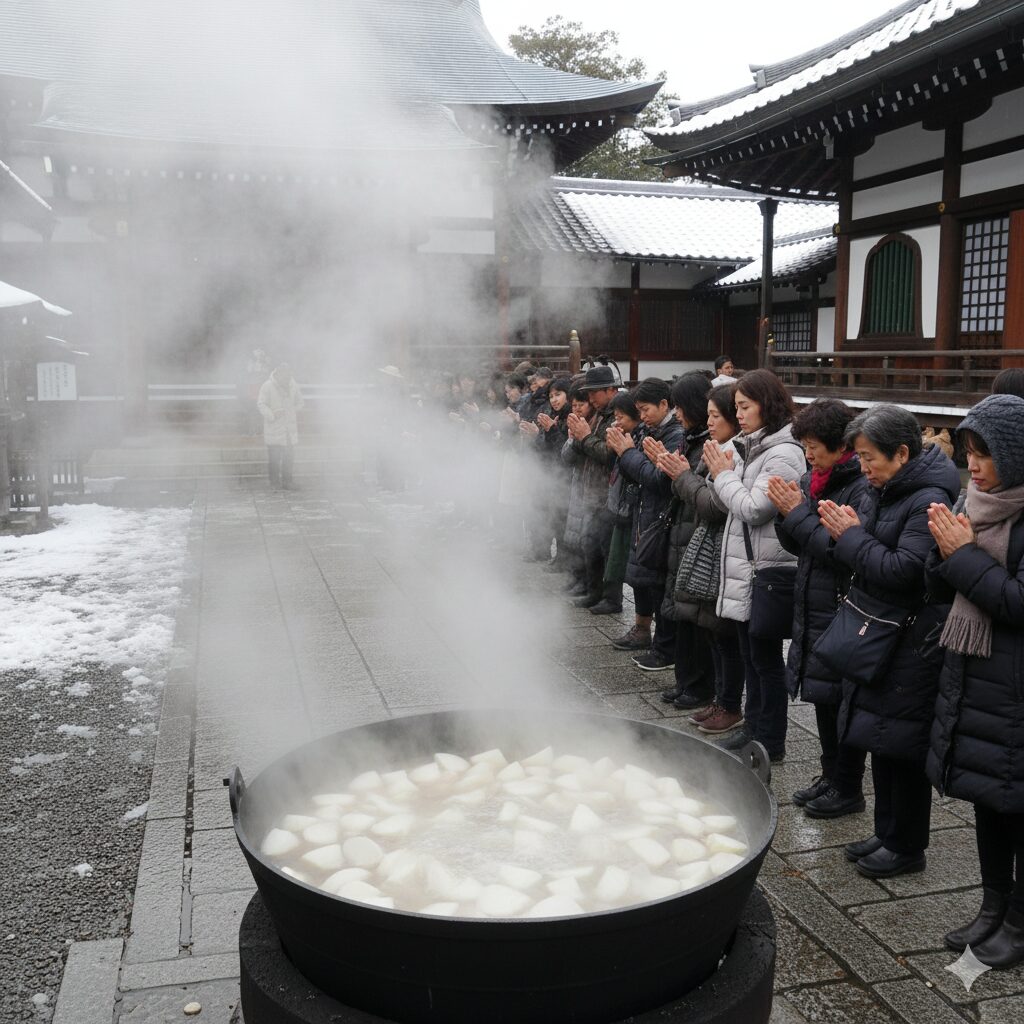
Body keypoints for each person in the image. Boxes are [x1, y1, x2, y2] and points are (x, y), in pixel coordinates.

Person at [820, 404, 959, 879]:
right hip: (881, 632)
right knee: (878, 737)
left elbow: (906, 572)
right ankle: (886, 831)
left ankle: (907, 845)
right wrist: (848, 536)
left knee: (903, 744)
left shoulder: (927, 499)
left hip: (913, 638)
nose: (863, 468)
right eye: (858, 458)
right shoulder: (888, 488)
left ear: (901, 453)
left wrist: (852, 538)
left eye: (869, 458)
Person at [926, 394, 1024, 967]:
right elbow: (951, 591)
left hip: (1014, 685)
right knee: (990, 799)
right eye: (969, 453)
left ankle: (1019, 919)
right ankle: (993, 906)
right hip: (978, 675)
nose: (975, 466)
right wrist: (941, 556)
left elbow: (1016, 601)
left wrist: (960, 555)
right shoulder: (978, 504)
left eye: (985, 455)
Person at [768, 398, 869, 818]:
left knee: (843, 702)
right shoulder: (818, 478)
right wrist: (786, 515)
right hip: (816, 600)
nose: (807, 454)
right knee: (824, 699)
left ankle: (848, 787)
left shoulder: (857, 485)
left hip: (840, 603)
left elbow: (836, 549)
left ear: (838, 444)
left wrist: (797, 516)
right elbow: (802, 542)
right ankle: (831, 775)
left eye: (813, 445)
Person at [704, 369, 805, 761]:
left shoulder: (783, 453)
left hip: (766, 568)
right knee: (750, 656)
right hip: (748, 567)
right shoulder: (755, 445)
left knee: (765, 662)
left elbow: (754, 508)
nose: (739, 414)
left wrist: (723, 475)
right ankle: (753, 727)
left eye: (745, 406)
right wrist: (725, 475)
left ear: (768, 404)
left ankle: (771, 742)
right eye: (737, 407)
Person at [660, 383, 746, 732]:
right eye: (708, 414)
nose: (711, 422)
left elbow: (712, 505)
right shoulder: (715, 447)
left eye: (717, 415)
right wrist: (680, 474)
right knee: (712, 634)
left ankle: (727, 702)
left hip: (726, 552)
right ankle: (720, 700)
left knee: (724, 636)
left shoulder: (734, 452)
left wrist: (682, 475)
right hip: (707, 547)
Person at [607, 378, 685, 669]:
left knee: (661, 585)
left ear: (664, 404)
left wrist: (628, 453)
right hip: (645, 514)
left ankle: (665, 649)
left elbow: (658, 480)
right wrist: (622, 452)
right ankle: (651, 637)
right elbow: (633, 472)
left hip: (661, 517)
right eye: (638, 410)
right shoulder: (647, 429)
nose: (641, 416)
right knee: (647, 580)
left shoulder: (674, 435)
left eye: (645, 409)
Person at [650, 371, 715, 699]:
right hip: (682, 530)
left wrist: (678, 474)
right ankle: (684, 681)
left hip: (696, 533)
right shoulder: (692, 438)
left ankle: (698, 686)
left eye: (679, 406)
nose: (676, 413)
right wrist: (667, 470)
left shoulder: (711, 445)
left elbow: (708, 496)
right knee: (682, 613)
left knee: (697, 617)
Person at [565, 365, 622, 609]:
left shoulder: (619, 414)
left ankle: (611, 598)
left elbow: (609, 454)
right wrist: (578, 437)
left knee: (607, 549)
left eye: (594, 393)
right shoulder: (598, 413)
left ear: (610, 390)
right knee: (590, 543)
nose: (590, 399)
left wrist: (585, 437)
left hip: (608, 494)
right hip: (591, 491)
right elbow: (582, 449)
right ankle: (593, 591)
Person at [594, 391, 643, 618]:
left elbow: (636, 472)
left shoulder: (641, 437)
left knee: (628, 560)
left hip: (629, 507)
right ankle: (609, 596)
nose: (617, 421)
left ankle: (615, 600)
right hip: (614, 502)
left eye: (622, 417)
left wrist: (625, 450)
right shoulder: (623, 434)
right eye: (615, 416)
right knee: (609, 549)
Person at [257, 363, 304, 490]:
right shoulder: (267, 386)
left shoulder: (293, 385)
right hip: (274, 427)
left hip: (289, 429)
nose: (287, 377)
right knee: (274, 458)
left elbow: (300, 402)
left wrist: (292, 410)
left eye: (288, 375)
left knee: (289, 457)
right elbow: (261, 404)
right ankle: (274, 483)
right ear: (277, 373)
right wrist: (272, 415)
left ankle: (288, 482)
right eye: (284, 375)